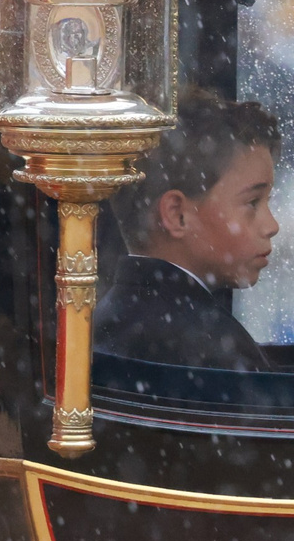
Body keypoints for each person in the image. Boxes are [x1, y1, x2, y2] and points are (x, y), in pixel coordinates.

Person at [96, 93, 282, 371]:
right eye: (252, 202)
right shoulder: (214, 347)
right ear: (177, 215)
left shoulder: (105, 319)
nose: (272, 226)